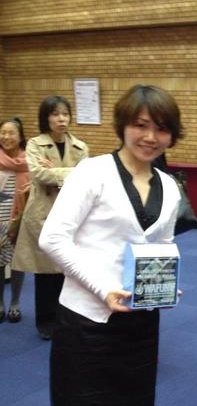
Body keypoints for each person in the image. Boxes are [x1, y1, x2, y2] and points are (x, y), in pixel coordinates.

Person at [38, 84, 183, 406]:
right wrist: (103, 288)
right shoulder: (93, 172)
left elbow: (162, 245)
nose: (150, 137)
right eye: (140, 125)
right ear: (123, 125)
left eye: (161, 128)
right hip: (86, 320)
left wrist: (163, 284)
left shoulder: (170, 187)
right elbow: (52, 238)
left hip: (140, 323)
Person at [12, 95, 89, 339]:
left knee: (67, 270)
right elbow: (39, 175)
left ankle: (65, 318)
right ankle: (45, 321)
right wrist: (71, 173)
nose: (61, 119)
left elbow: (86, 177)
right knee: (45, 271)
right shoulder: (35, 144)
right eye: (55, 114)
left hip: (71, 213)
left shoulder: (80, 147)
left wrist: (55, 172)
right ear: (46, 118)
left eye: (65, 113)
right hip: (43, 213)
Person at [0, 118, 30, 323]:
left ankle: (15, 304)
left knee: (18, 263)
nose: (6, 137)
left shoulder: (30, 161)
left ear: (20, 137)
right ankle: (0, 303)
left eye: (11, 133)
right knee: (0, 265)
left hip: (19, 221)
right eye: (3, 132)